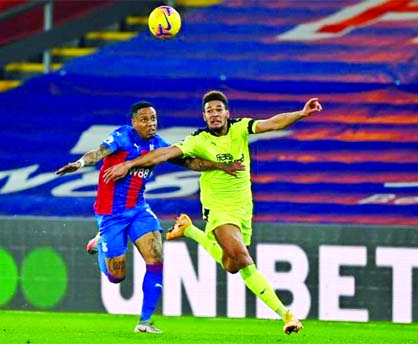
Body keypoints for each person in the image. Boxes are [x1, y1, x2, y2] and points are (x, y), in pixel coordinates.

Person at [103, 91, 323, 335]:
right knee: (242, 257)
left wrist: (301, 114)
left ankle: (191, 231)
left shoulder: (240, 128)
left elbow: (271, 123)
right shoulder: (198, 140)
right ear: (204, 116)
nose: (214, 114)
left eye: (218, 110)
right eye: (209, 111)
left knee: (232, 265)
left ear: (227, 113)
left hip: (243, 209)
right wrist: (128, 164)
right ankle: (286, 314)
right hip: (218, 211)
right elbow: (164, 154)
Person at [55, 100, 243, 334]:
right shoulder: (122, 137)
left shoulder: (158, 144)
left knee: (155, 258)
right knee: (117, 276)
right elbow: (98, 153)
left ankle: (144, 322)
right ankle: (101, 242)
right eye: (144, 119)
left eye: (153, 119)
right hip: (111, 214)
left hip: (139, 209)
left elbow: (188, 162)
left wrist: (218, 165)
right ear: (134, 122)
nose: (150, 123)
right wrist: (80, 163)